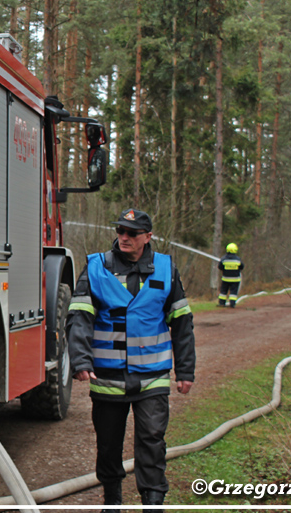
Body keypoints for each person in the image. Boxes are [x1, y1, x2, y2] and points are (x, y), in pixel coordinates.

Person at [67, 208, 196, 511]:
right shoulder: (96, 267)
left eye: (132, 233)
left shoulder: (166, 269)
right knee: (109, 444)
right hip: (107, 378)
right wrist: (81, 362)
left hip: (153, 376)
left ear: (147, 237)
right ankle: (112, 498)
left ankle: (153, 501)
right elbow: (79, 318)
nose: (123, 237)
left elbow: (181, 322)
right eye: (120, 231)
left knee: (152, 440)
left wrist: (185, 370)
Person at [217, 243, 244, 308]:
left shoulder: (224, 259)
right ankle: (232, 304)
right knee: (233, 292)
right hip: (235, 279)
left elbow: (220, 267)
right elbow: (242, 267)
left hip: (225, 278)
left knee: (223, 291)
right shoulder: (237, 259)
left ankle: (221, 303)